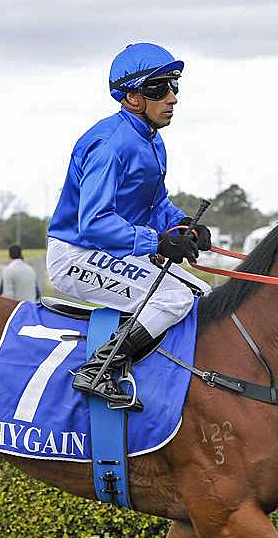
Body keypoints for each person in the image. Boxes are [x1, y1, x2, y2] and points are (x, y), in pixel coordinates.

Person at [46, 42, 212, 409]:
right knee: (174, 296)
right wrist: (157, 243)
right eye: (160, 89)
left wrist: (182, 225)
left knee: (202, 295)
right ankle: (99, 369)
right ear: (133, 98)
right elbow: (93, 223)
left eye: (174, 86)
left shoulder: (152, 141)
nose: (172, 98)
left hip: (109, 251)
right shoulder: (109, 144)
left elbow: (155, 205)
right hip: (76, 253)